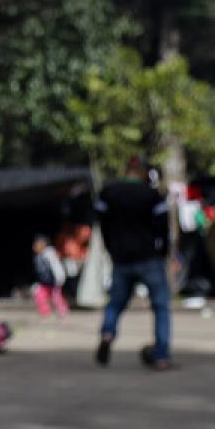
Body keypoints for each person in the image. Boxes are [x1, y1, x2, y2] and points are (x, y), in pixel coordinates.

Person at [94, 156, 173, 370]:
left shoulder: (108, 193)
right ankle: (161, 355)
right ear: (144, 173)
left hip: (121, 257)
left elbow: (103, 223)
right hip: (148, 256)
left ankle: (108, 334)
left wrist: (111, 248)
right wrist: (163, 252)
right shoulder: (152, 195)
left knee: (116, 303)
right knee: (161, 307)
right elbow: (163, 228)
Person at [31, 234, 69, 318]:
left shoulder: (50, 254)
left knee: (56, 298)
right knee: (38, 294)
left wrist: (59, 279)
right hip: (44, 283)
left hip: (54, 282)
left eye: (37, 245)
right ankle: (45, 312)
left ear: (44, 244)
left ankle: (63, 312)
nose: (34, 247)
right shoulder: (37, 256)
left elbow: (57, 267)